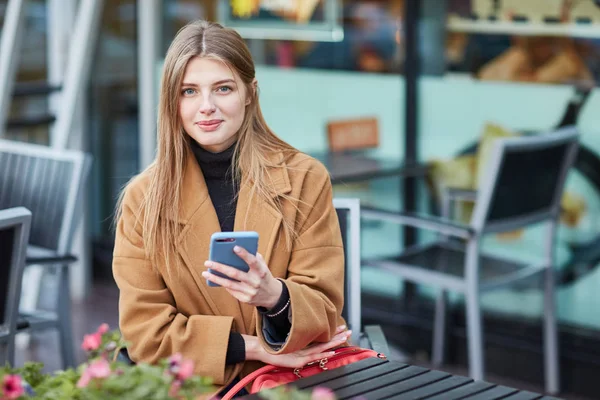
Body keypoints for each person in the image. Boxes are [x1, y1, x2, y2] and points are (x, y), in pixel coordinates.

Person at [112, 20, 350, 396]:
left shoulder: (306, 178)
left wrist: (275, 296)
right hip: (192, 386)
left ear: (250, 93)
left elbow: (325, 311)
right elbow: (145, 333)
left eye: (223, 88)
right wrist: (253, 346)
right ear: (172, 102)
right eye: (189, 91)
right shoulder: (143, 199)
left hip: (289, 383)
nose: (206, 107)